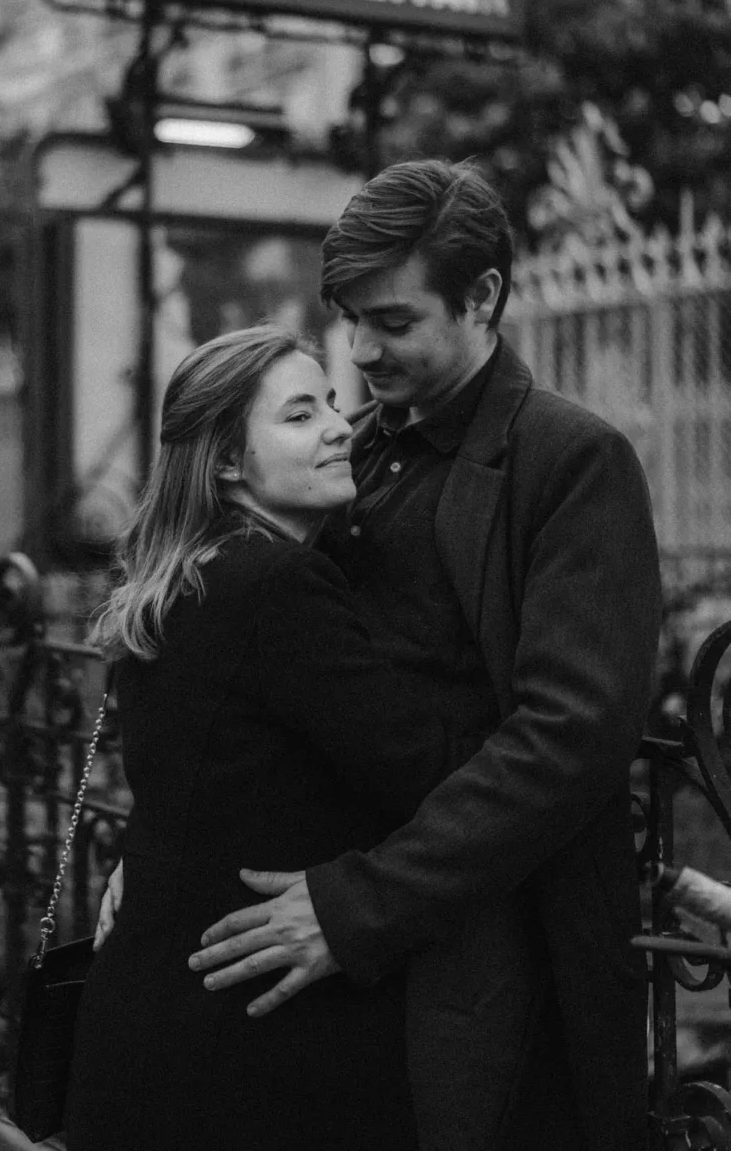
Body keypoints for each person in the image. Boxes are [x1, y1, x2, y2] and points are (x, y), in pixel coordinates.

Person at [181, 160, 662, 1151]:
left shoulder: (571, 460)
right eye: (350, 318)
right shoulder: (340, 452)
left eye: (393, 322)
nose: (360, 351)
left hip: (501, 967)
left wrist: (361, 905)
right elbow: (252, 668)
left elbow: (568, 739)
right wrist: (167, 852)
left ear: (480, 297)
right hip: (335, 969)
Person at [65, 324, 451, 1151]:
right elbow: (424, 769)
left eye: (334, 405)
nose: (341, 428)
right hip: (250, 1049)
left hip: (152, 1017)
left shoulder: (183, 576)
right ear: (228, 463)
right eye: (301, 415)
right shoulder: (277, 583)